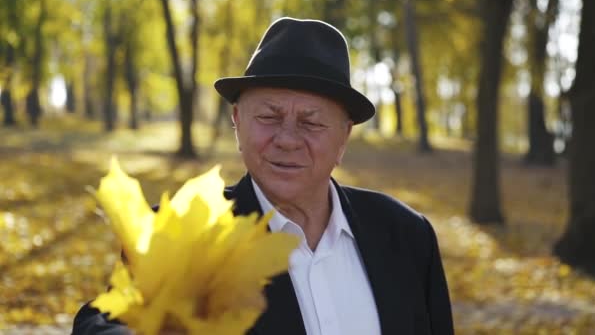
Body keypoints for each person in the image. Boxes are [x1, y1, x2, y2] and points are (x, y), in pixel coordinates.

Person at [73, 17, 453, 335]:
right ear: (238, 122)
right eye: (268, 117)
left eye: (312, 122)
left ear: (344, 137)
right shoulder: (184, 235)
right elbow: (100, 321)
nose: (287, 139)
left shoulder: (406, 234)